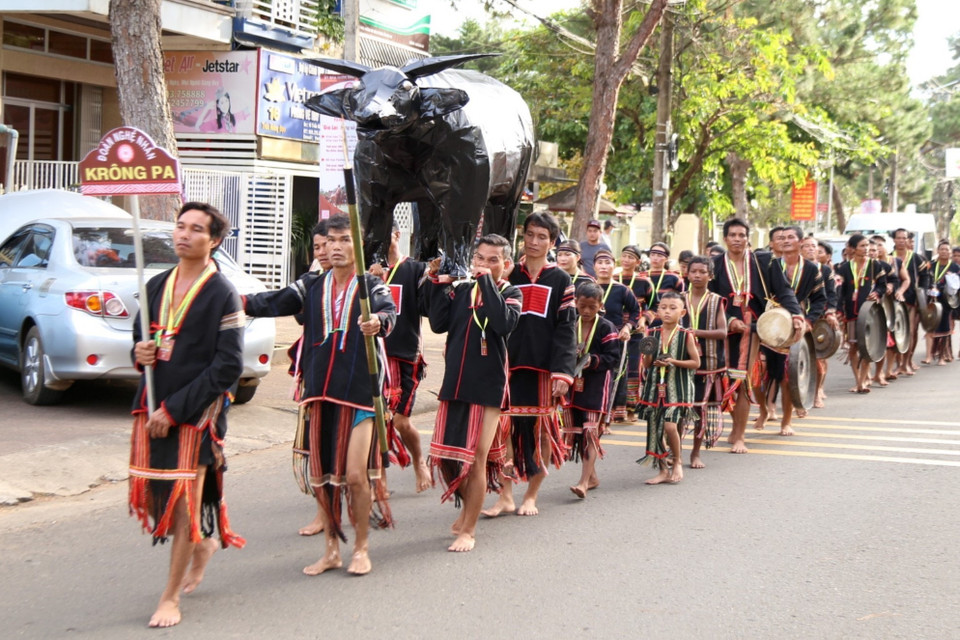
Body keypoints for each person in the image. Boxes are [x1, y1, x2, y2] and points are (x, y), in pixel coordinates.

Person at [243, 213, 396, 576]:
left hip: (360, 393)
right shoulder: (311, 285)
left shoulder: (372, 286)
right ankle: (331, 549)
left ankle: (360, 547)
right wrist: (230, 300)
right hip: (320, 392)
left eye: (345, 240)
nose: (336, 247)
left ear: (358, 246)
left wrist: (378, 324)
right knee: (324, 475)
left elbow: (389, 313)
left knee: (356, 476)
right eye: (330, 241)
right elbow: (272, 302)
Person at [128, 202, 246, 628]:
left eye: (197, 229)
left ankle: (170, 597)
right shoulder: (156, 285)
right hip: (152, 407)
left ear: (213, 241)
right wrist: (138, 353)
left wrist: (175, 409)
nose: (184, 234)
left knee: (181, 507)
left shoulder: (222, 293)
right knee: (158, 496)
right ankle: (203, 544)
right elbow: (143, 341)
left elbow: (228, 367)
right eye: (180, 226)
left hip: (196, 415)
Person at [427, 234, 522, 552]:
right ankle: (467, 511)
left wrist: (488, 284)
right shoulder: (462, 290)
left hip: (488, 386)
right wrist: (440, 282)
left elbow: (502, 324)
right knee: (453, 458)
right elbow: (438, 323)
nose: (483, 265)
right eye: (479, 258)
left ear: (506, 266)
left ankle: (469, 529)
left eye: (492, 260)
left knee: (477, 458)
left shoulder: (511, 292)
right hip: (455, 382)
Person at [483, 212, 577, 517]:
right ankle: (506, 494)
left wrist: (563, 372)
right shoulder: (509, 274)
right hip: (506, 364)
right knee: (503, 433)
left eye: (542, 237)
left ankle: (532, 495)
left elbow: (567, 329)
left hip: (543, 370)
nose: (534, 242)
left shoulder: (561, 280)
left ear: (552, 242)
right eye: (530, 235)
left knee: (541, 432)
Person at [709, 218, 804, 454]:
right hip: (722, 327)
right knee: (727, 378)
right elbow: (708, 298)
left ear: (748, 238)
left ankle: (740, 436)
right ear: (725, 238)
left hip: (753, 329)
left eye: (742, 235)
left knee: (741, 378)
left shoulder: (763, 261)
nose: (738, 239)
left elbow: (783, 290)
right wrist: (729, 320)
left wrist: (796, 315)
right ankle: (735, 426)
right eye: (733, 235)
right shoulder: (714, 264)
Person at [369, 222, 432, 493]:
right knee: (374, 421)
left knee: (399, 421)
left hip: (405, 356)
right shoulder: (368, 274)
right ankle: (379, 481)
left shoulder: (415, 269)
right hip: (374, 356)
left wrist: (435, 277)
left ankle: (419, 460)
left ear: (397, 235)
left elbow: (430, 308)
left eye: (387, 237)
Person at [752, 226, 825, 434]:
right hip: (766, 323)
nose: (785, 241)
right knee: (758, 373)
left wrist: (808, 320)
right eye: (780, 238)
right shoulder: (763, 264)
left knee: (787, 376)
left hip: (794, 325)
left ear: (800, 241)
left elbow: (820, 299)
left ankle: (786, 421)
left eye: (790, 237)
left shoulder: (811, 270)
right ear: (772, 243)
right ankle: (765, 409)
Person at [562, 282, 620, 497]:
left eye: (592, 307)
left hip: (596, 387)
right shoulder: (569, 323)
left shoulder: (606, 327)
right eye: (582, 305)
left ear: (600, 306)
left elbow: (613, 358)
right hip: (573, 387)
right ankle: (592, 477)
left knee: (590, 433)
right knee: (578, 434)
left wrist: (592, 360)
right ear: (575, 302)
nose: (586, 311)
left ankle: (583, 482)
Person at [636, 292, 700, 484]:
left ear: (682, 312)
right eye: (663, 307)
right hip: (654, 388)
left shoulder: (685, 335)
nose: (667, 311)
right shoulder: (652, 334)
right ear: (657, 311)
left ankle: (678, 461)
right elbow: (647, 365)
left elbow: (695, 362)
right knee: (655, 428)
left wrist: (673, 362)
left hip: (677, 387)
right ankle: (663, 469)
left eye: (673, 308)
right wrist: (649, 357)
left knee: (670, 425)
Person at [683, 256, 727, 468]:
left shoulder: (716, 300)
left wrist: (696, 332)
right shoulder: (679, 299)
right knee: (678, 408)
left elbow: (723, 332)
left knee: (700, 409)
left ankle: (695, 453)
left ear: (711, 275)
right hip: (680, 362)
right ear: (687, 274)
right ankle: (674, 451)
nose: (698, 275)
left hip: (707, 363)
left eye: (702, 272)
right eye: (694, 271)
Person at [593, 248, 640, 422]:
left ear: (614, 266)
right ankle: (594, 415)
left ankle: (608, 418)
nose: (604, 267)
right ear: (594, 266)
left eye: (608, 263)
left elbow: (635, 310)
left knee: (614, 377)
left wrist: (627, 327)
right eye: (600, 263)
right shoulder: (588, 287)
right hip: (592, 339)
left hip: (615, 340)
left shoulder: (623, 290)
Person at [837, 234, 885, 393]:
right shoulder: (843, 268)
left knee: (867, 347)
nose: (866, 249)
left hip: (870, 313)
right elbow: (839, 292)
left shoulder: (875, 266)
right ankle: (857, 380)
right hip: (851, 313)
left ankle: (863, 381)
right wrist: (838, 310)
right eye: (862, 246)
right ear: (852, 248)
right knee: (853, 346)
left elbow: (882, 285)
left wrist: (877, 293)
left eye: (867, 246)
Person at [616, 245, 654, 411]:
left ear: (638, 262)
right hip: (614, 330)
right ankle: (616, 408)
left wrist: (644, 318)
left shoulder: (644, 282)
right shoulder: (613, 278)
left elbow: (655, 305)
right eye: (624, 256)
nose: (626, 260)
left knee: (633, 369)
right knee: (615, 367)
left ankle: (632, 408)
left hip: (636, 332)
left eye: (631, 257)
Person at [809, 238, 840, 407]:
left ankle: (817, 391)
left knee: (819, 357)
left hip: (818, 319)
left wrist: (830, 312)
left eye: (814, 248)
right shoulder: (792, 268)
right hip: (797, 318)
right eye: (806, 246)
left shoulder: (826, 271)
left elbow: (831, 294)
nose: (811, 250)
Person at [890, 228, 925, 375]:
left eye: (904, 238)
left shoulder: (916, 258)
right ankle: (897, 363)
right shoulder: (888, 257)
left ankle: (906, 362)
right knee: (894, 332)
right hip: (891, 300)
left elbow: (925, 277)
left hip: (910, 300)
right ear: (894, 240)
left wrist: (923, 294)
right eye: (899, 238)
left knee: (909, 331)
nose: (901, 240)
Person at [924, 240, 959, 365]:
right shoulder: (931, 265)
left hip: (946, 301)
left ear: (950, 252)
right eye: (942, 249)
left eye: (946, 249)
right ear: (937, 251)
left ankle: (942, 357)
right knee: (930, 327)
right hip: (931, 300)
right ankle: (928, 355)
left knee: (944, 329)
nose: (944, 251)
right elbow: (924, 279)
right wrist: (929, 289)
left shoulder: (955, 267)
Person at [642, 242, 685, 312]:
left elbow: (682, 301)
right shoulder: (641, 277)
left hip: (667, 319)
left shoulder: (675, 278)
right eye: (652, 255)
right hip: (642, 320)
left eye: (659, 255)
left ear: (666, 259)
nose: (655, 258)